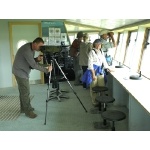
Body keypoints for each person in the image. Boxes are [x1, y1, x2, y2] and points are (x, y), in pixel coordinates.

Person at [12, 37, 52, 119]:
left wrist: (37, 59)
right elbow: (33, 65)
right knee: (26, 92)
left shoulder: (31, 49)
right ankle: (28, 111)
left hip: (20, 70)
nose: (41, 48)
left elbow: (31, 62)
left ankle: (23, 109)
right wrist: (46, 70)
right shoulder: (26, 50)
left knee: (23, 91)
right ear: (35, 44)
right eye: (40, 46)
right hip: (20, 72)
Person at [82, 39, 113, 106]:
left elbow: (104, 61)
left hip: (100, 71)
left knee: (102, 87)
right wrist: (93, 75)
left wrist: (108, 68)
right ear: (95, 44)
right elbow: (90, 65)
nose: (99, 45)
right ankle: (95, 102)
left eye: (100, 44)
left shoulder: (101, 51)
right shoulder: (91, 52)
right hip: (93, 71)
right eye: (98, 44)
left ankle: (102, 101)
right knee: (94, 87)